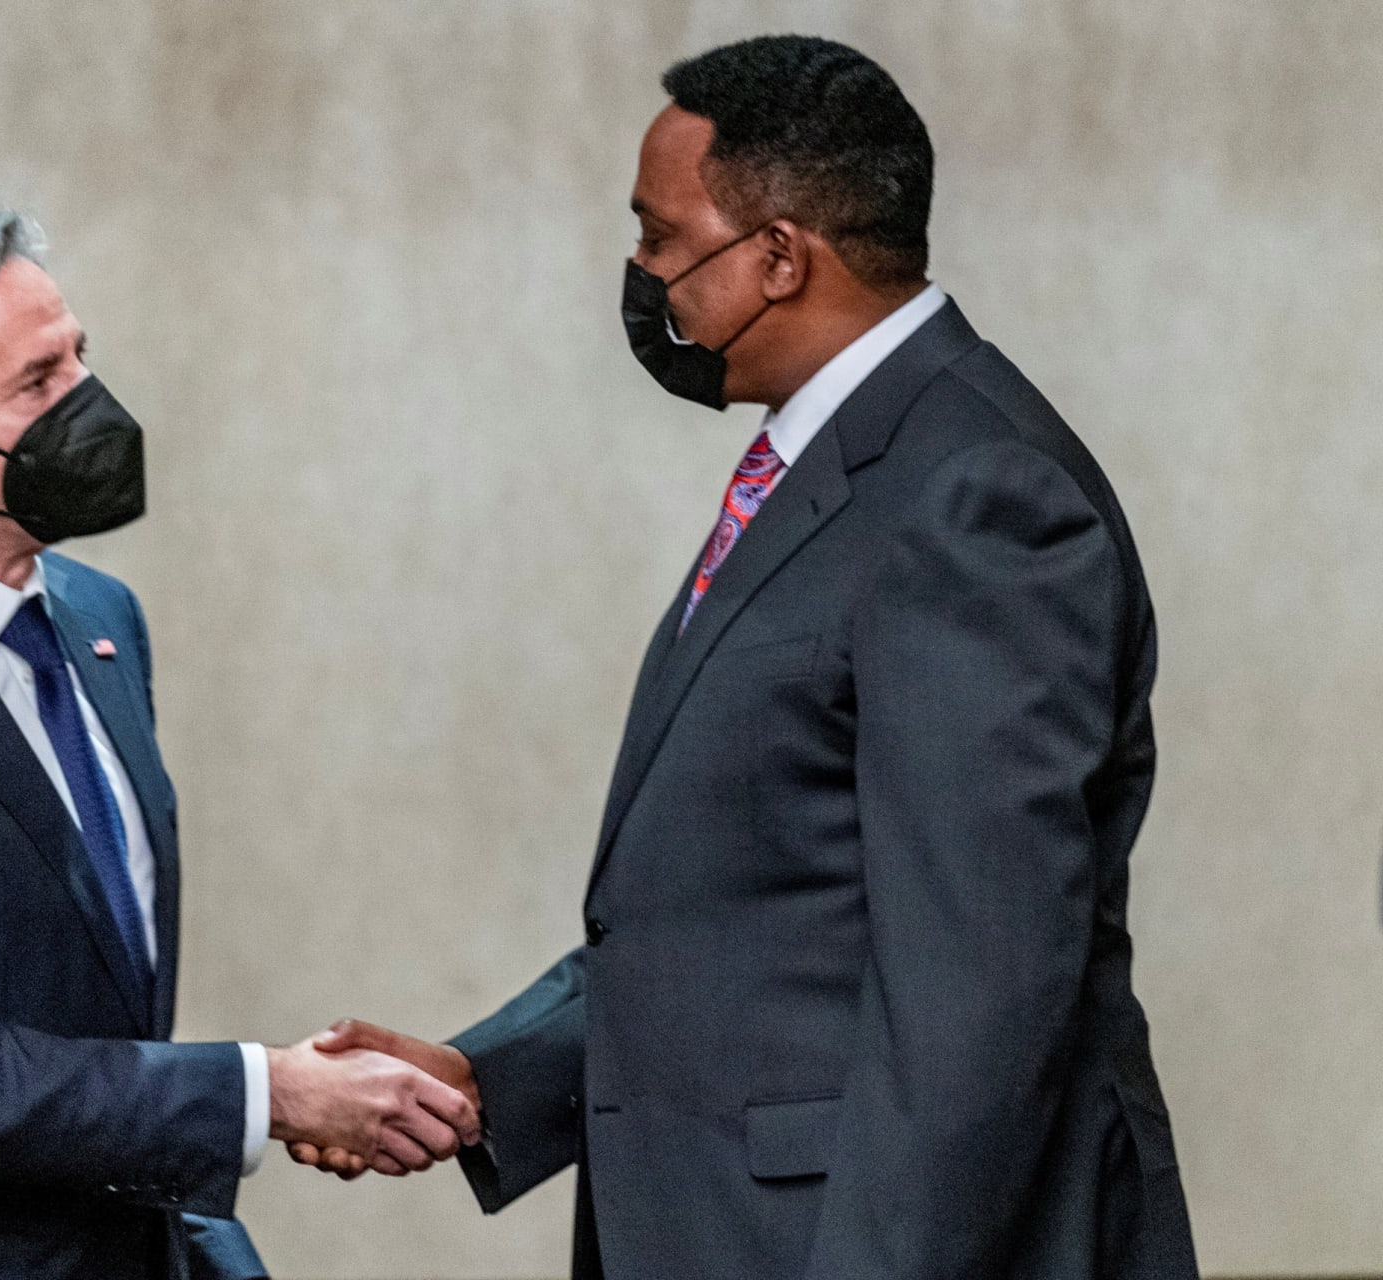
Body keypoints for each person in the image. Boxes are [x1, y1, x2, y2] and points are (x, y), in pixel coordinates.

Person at [295, 35, 1201, 1280]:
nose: (641, 273)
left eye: (661, 238)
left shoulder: (973, 494)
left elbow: (975, 990)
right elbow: (750, 899)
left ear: (779, 255)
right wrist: (487, 1075)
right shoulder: (831, 467)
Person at [0, 207, 477, 1280]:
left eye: (80, 358)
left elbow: (88, 986)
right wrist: (263, 1091)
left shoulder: (99, 616)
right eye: (36, 382)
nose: (88, 404)